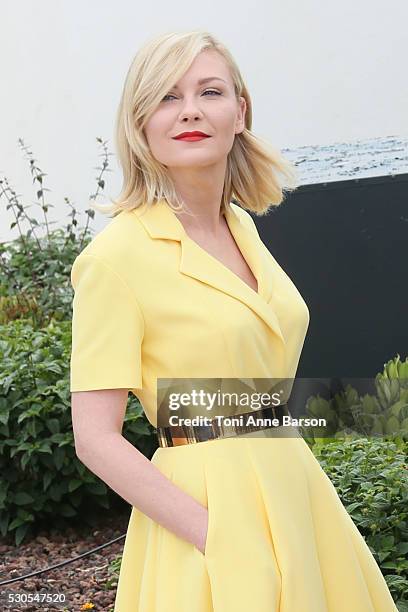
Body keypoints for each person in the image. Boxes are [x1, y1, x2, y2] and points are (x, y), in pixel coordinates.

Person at [70, 29, 398, 612]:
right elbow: (95, 437)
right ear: (139, 121)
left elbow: (259, 395)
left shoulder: (241, 227)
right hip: (207, 512)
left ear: (240, 111)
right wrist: (214, 536)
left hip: (295, 489)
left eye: (210, 92)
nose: (190, 111)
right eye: (167, 97)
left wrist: (378, 408)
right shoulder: (114, 259)